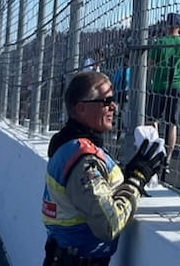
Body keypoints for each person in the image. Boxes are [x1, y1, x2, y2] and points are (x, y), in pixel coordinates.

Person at [41, 70, 165, 264]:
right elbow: (109, 224)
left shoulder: (72, 145)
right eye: (106, 101)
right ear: (81, 108)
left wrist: (130, 171)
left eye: (113, 100)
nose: (113, 106)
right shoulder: (82, 159)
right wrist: (137, 178)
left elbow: (98, 190)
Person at [147, 14, 180, 161]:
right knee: (172, 122)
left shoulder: (158, 43)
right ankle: (167, 158)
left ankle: (155, 153)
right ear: (179, 26)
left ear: (166, 26)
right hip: (178, 83)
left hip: (159, 83)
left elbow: (150, 64)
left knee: (153, 119)